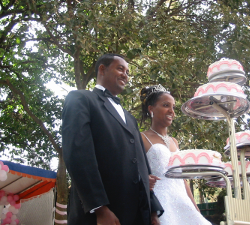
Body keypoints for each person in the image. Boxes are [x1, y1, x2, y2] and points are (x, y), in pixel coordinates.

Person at [62, 54, 164, 225]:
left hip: (137, 215)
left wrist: (152, 210)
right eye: (120, 68)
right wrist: (100, 209)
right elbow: (77, 155)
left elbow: (141, 166)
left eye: (128, 72)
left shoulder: (130, 118)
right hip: (99, 216)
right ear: (102, 69)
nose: (125, 74)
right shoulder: (81, 99)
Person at [139, 84, 212, 225]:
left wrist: (195, 208)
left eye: (173, 107)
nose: (171, 111)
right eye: (166, 105)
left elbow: (182, 180)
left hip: (182, 201)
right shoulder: (141, 138)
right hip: (161, 203)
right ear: (151, 109)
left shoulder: (174, 142)